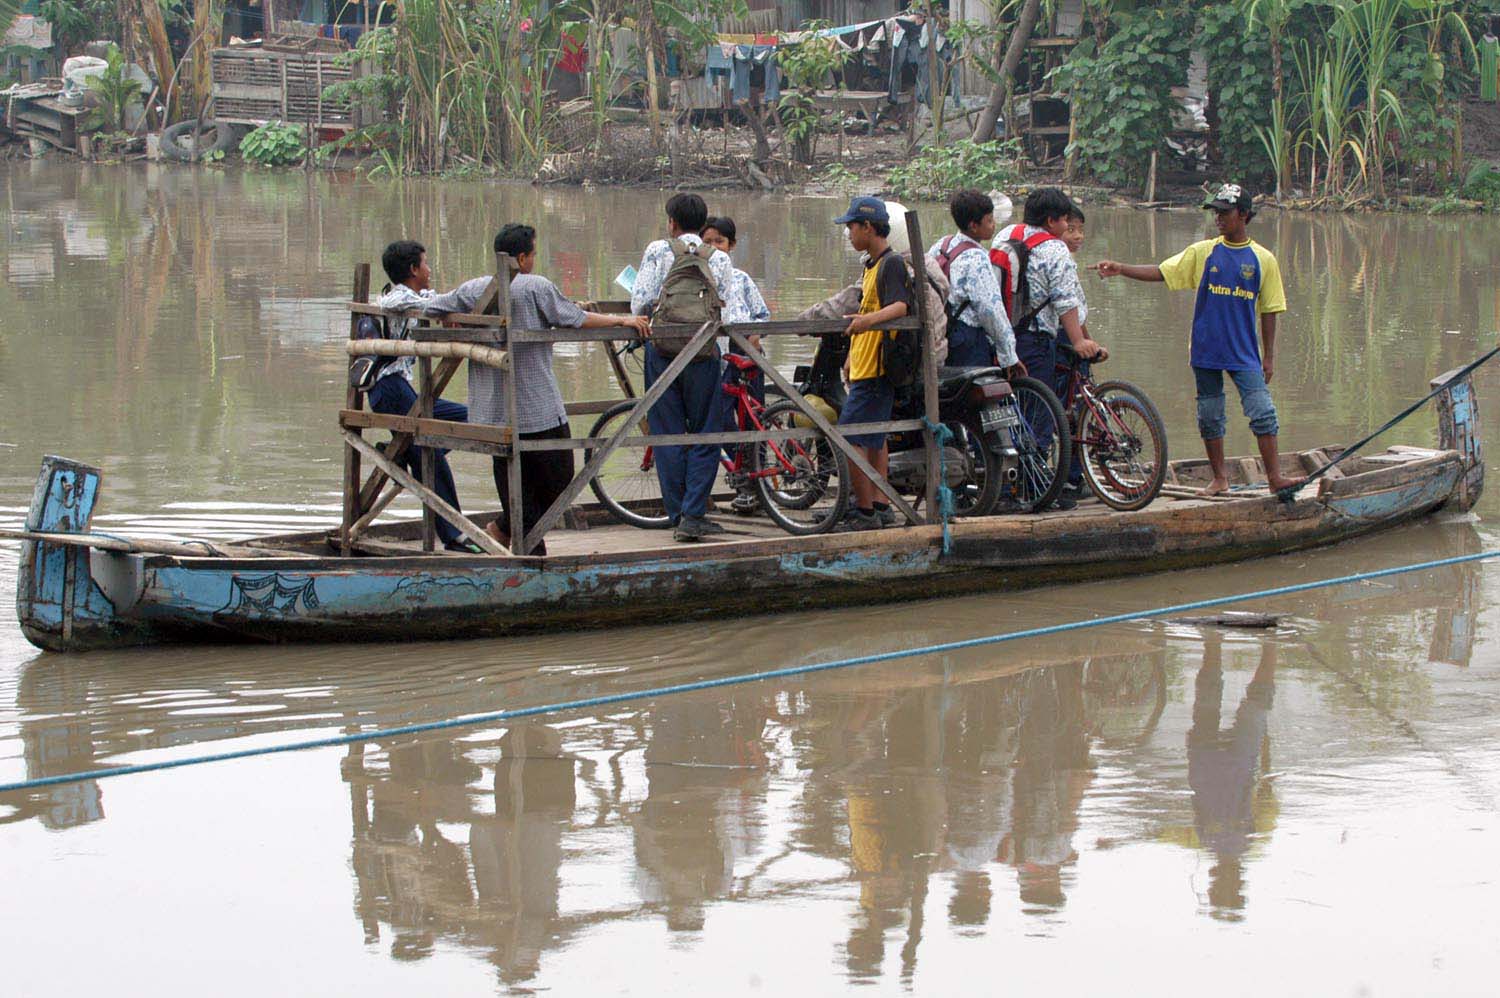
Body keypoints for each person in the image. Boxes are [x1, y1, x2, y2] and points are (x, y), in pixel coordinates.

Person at [424, 224, 648, 555]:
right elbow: (574, 317)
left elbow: (431, 307)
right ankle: (526, 547)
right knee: (559, 481)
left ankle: (507, 533)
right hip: (537, 406)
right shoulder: (535, 286)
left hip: (495, 413)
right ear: (523, 257)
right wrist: (622, 321)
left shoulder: (474, 289)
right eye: (533, 253)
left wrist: (453, 317)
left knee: (514, 484)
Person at [1093, 183, 1305, 495]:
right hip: (1206, 350)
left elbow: (1270, 310)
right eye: (1215, 212)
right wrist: (1121, 268)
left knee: (1262, 412)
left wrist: (1269, 356)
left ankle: (1275, 478)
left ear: (1244, 215)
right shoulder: (1205, 252)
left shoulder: (1263, 260)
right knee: (1210, 415)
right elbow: (1164, 272)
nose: (1218, 217)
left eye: (1225, 212)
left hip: (1245, 353)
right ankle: (1220, 478)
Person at [630, 193, 740, 542]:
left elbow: (639, 302)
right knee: (706, 433)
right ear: (703, 223)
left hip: (662, 354)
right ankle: (694, 515)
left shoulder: (658, 250)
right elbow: (732, 314)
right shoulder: (718, 258)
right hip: (705, 355)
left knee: (667, 433)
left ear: (672, 223)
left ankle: (677, 513)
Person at [1001, 188, 1107, 510]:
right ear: (1051, 220)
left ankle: (1014, 485)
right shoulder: (1053, 249)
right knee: (1043, 415)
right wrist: (1079, 341)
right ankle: (1035, 491)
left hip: (1008, 337)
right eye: (1064, 220)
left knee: (1016, 412)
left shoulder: (1008, 237)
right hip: (1036, 339)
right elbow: (1064, 301)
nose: (1067, 228)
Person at [372, 239, 476, 552]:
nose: (430, 270)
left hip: (403, 391)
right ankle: (454, 536)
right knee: (429, 455)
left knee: (473, 418)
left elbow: (440, 301)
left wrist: (452, 309)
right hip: (389, 388)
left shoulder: (415, 295)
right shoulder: (397, 298)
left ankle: (402, 452)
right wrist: (445, 310)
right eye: (426, 264)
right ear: (414, 269)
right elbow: (428, 305)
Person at [833, 196, 913, 532]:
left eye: (852, 227)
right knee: (874, 438)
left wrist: (867, 324)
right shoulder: (872, 265)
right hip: (866, 364)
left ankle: (863, 511)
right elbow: (869, 310)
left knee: (849, 436)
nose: (849, 234)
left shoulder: (891, 263)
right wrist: (853, 353)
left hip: (879, 367)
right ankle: (880, 504)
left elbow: (900, 307)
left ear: (868, 227)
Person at [702, 215, 770, 515]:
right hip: (716, 362)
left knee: (755, 419)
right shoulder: (699, 280)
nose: (714, 247)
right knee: (719, 419)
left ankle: (760, 485)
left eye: (720, 241)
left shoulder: (741, 278)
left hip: (746, 359)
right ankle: (744, 479)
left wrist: (751, 342)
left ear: (732, 245)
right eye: (707, 242)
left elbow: (762, 315)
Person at [925, 188, 1021, 373]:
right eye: (989, 221)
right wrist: (1008, 355)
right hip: (968, 339)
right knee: (976, 394)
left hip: (942, 330)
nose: (994, 225)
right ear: (973, 226)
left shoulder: (942, 245)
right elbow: (990, 310)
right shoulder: (976, 258)